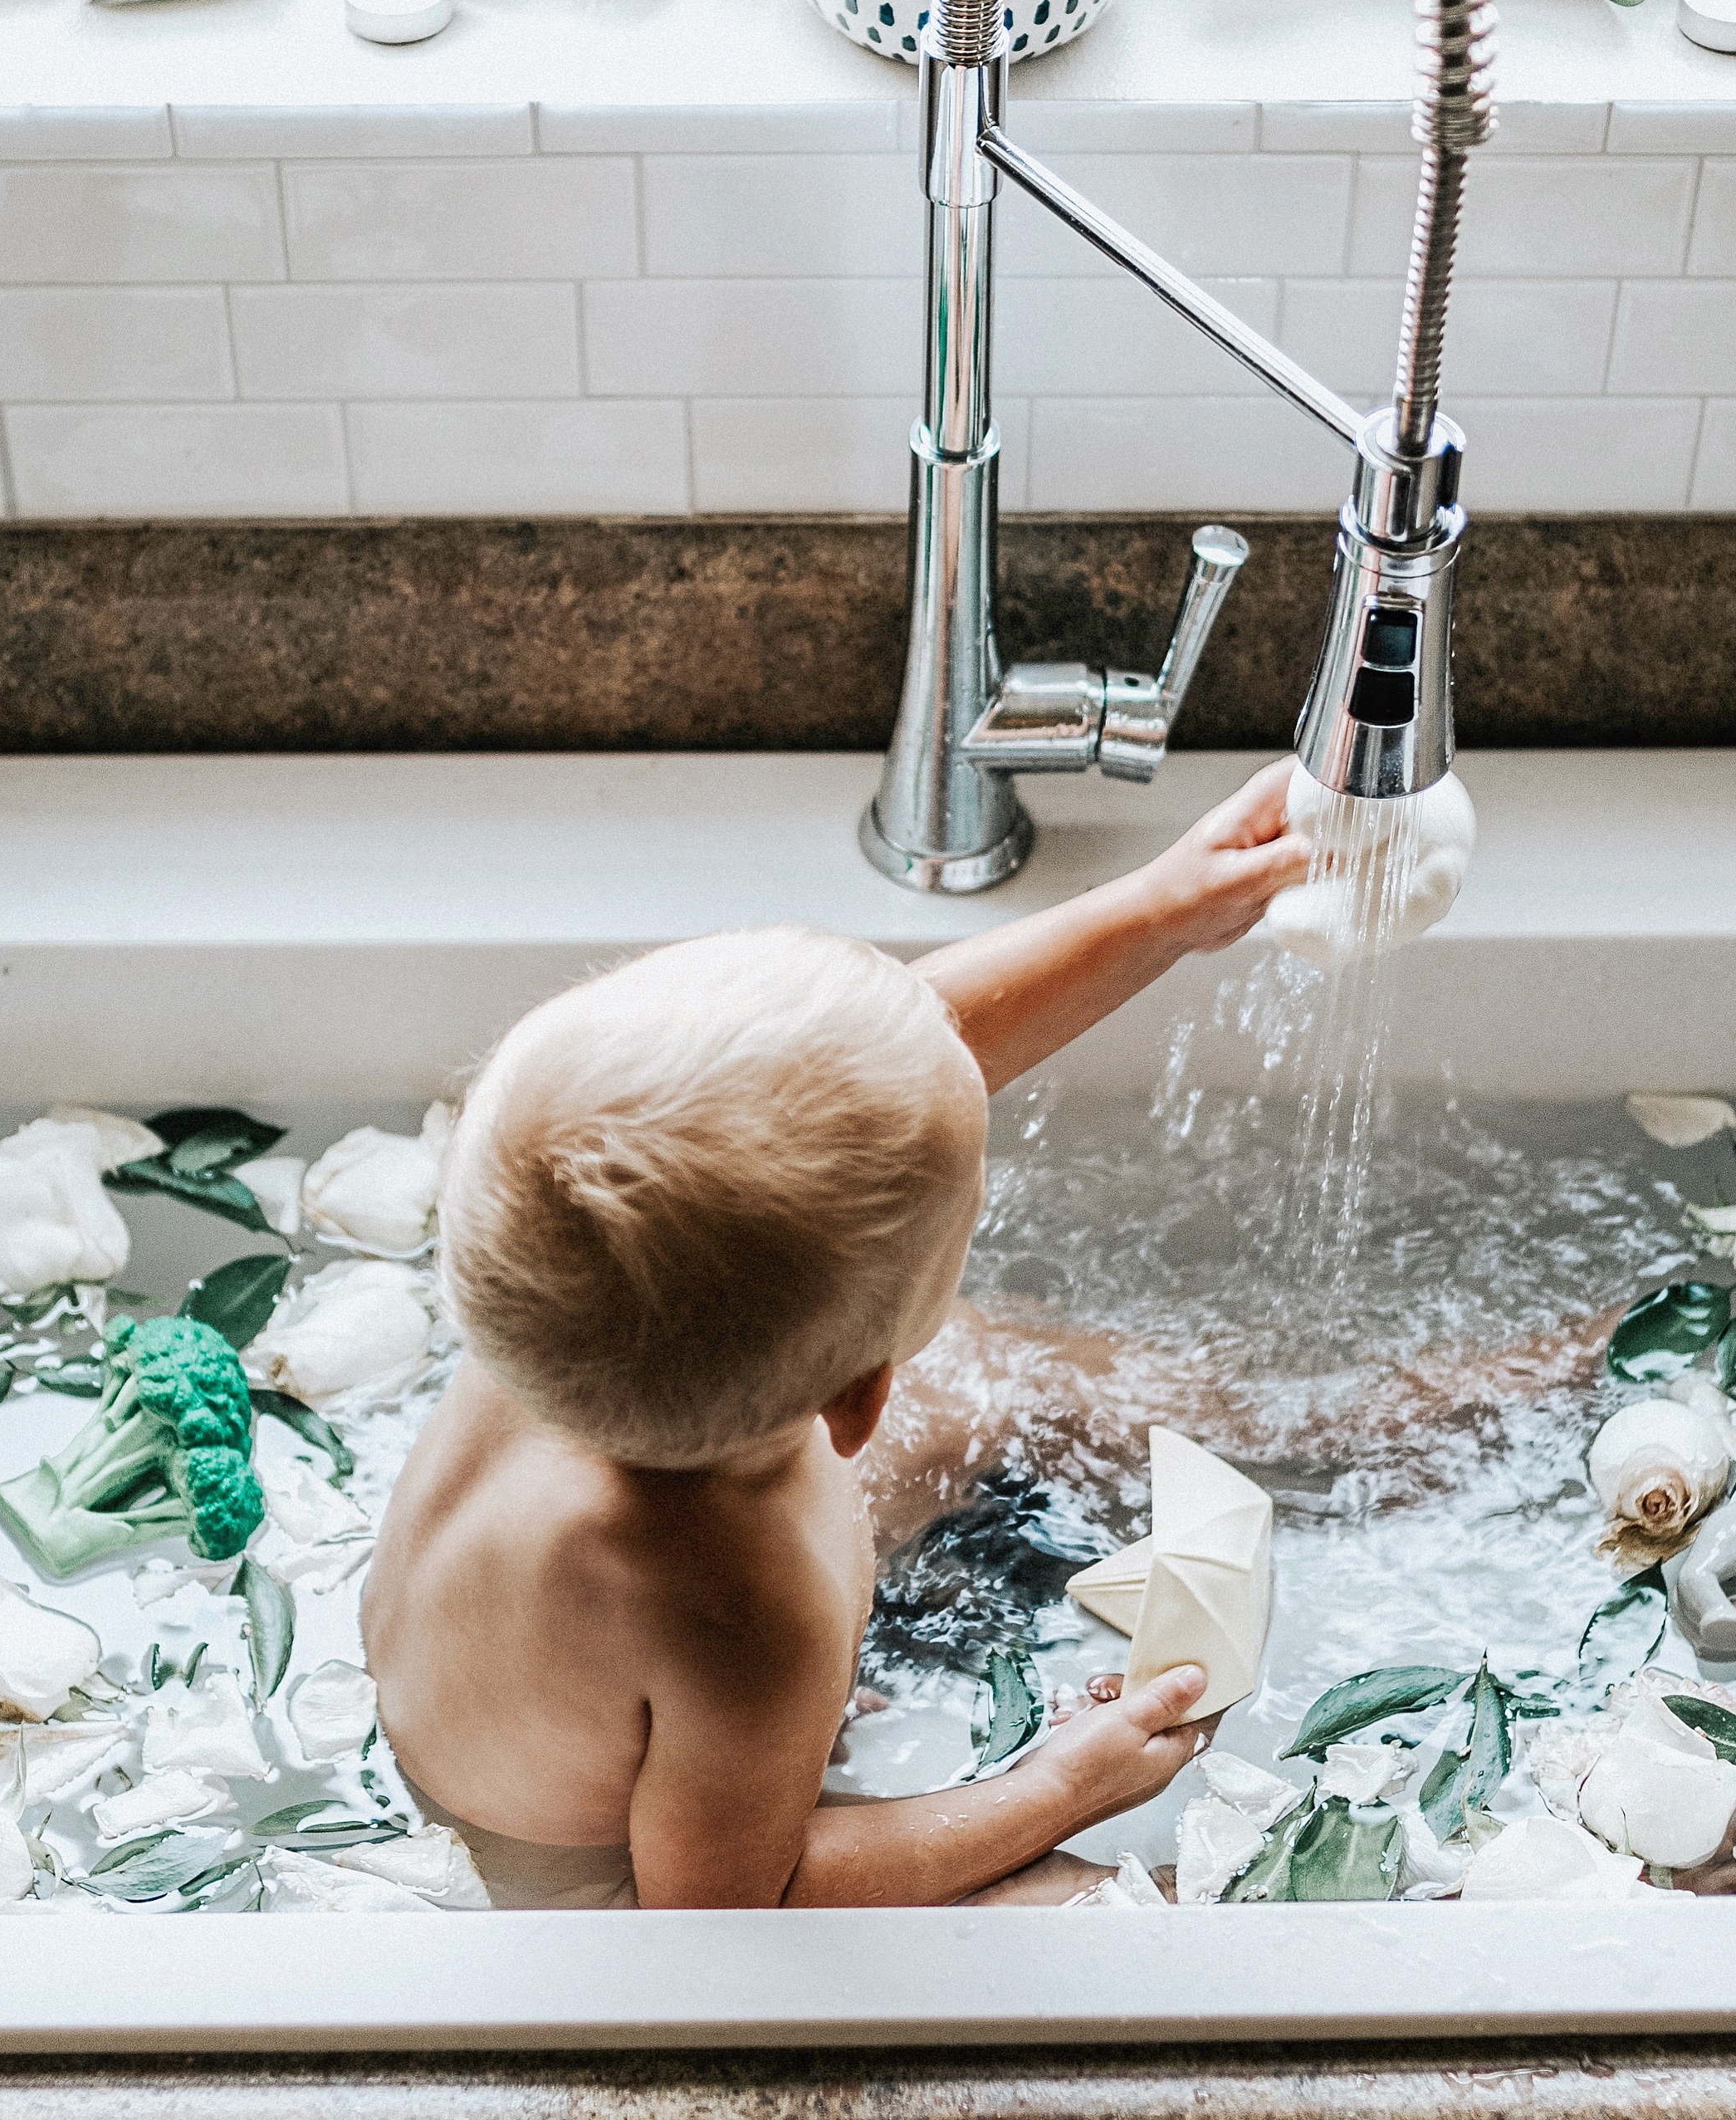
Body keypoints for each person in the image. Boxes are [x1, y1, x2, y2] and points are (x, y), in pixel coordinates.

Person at [357, 760, 1318, 1909]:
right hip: (593, 1887)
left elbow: (894, 1067)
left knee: (1010, 1377)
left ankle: (1346, 1428)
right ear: (861, 1400)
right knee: (1112, 1907)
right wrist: (1059, 1784)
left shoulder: (560, 1248)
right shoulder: (748, 1607)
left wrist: (1161, 908)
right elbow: (729, 1902)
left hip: (546, 1694)